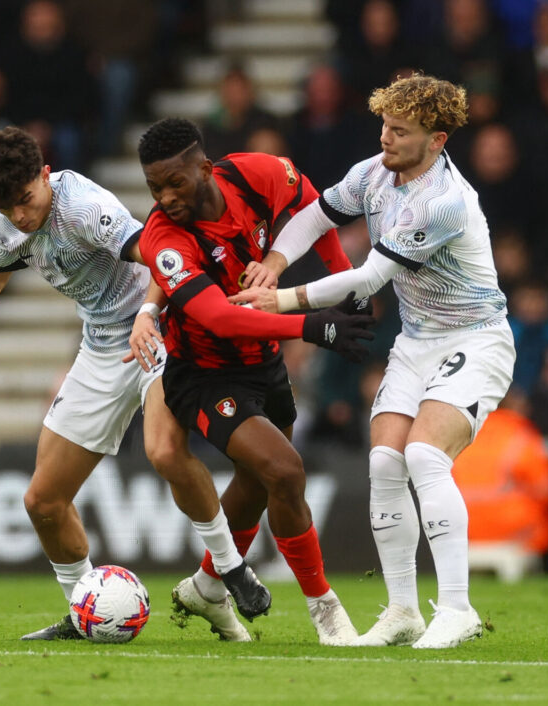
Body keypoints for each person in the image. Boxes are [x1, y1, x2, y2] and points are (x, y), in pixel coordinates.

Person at [0, 126, 270, 642]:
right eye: (8, 208)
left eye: (26, 199)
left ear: (45, 174)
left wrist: (146, 313)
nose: (21, 215)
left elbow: (168, 259)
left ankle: (229, 569)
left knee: (164, 453)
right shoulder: (7, 223)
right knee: (42, 502)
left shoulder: (86, 208)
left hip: (158, 331)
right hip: (99, 350)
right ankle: (82, 611)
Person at [232, 74, 516, 648]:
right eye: (384, 124)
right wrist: (276, 262)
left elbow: (369, 278)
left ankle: (457, 609)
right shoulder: (374, 172)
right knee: (385, 465)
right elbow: (316, 215)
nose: (385, 138)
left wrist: (279, 300)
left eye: (400, 130)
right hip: (416, 340)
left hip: (476, 338)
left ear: (437, 141)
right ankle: (404, 612)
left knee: (424, 457)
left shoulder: (444, 202)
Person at [131, 117, 375, 646]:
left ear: (205, 168)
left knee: (258, 483)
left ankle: (205, 584)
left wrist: (343, 281)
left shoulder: (258, 175)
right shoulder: (164, 240)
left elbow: (314, 208)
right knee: (285, 471)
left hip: (263, 365)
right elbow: (218, 317)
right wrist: (310, 324)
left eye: (176, 182)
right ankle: (324, 607)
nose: (166, 197)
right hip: (203, 373)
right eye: (155, 188)